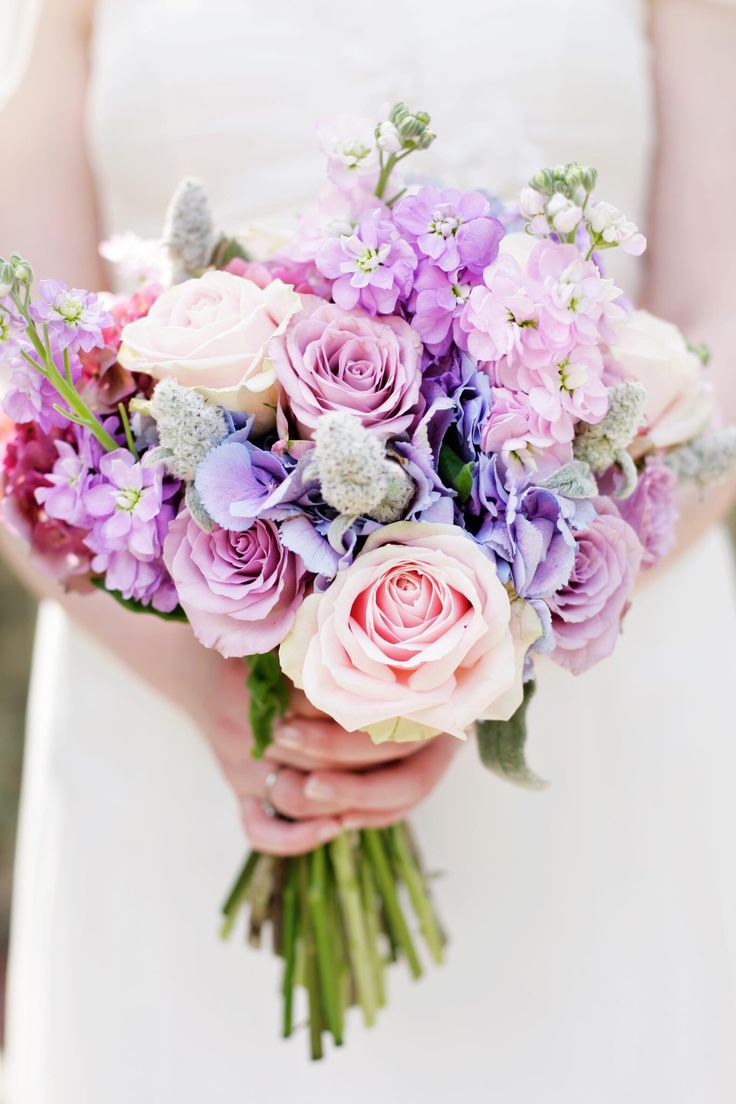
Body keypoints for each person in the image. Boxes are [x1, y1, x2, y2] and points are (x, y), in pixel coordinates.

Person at [1, 1, 735, 1100]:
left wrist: (483, 659)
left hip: (595, 676)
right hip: (168, 694)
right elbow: (22, 389)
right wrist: (220, 689)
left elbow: (715, 325)